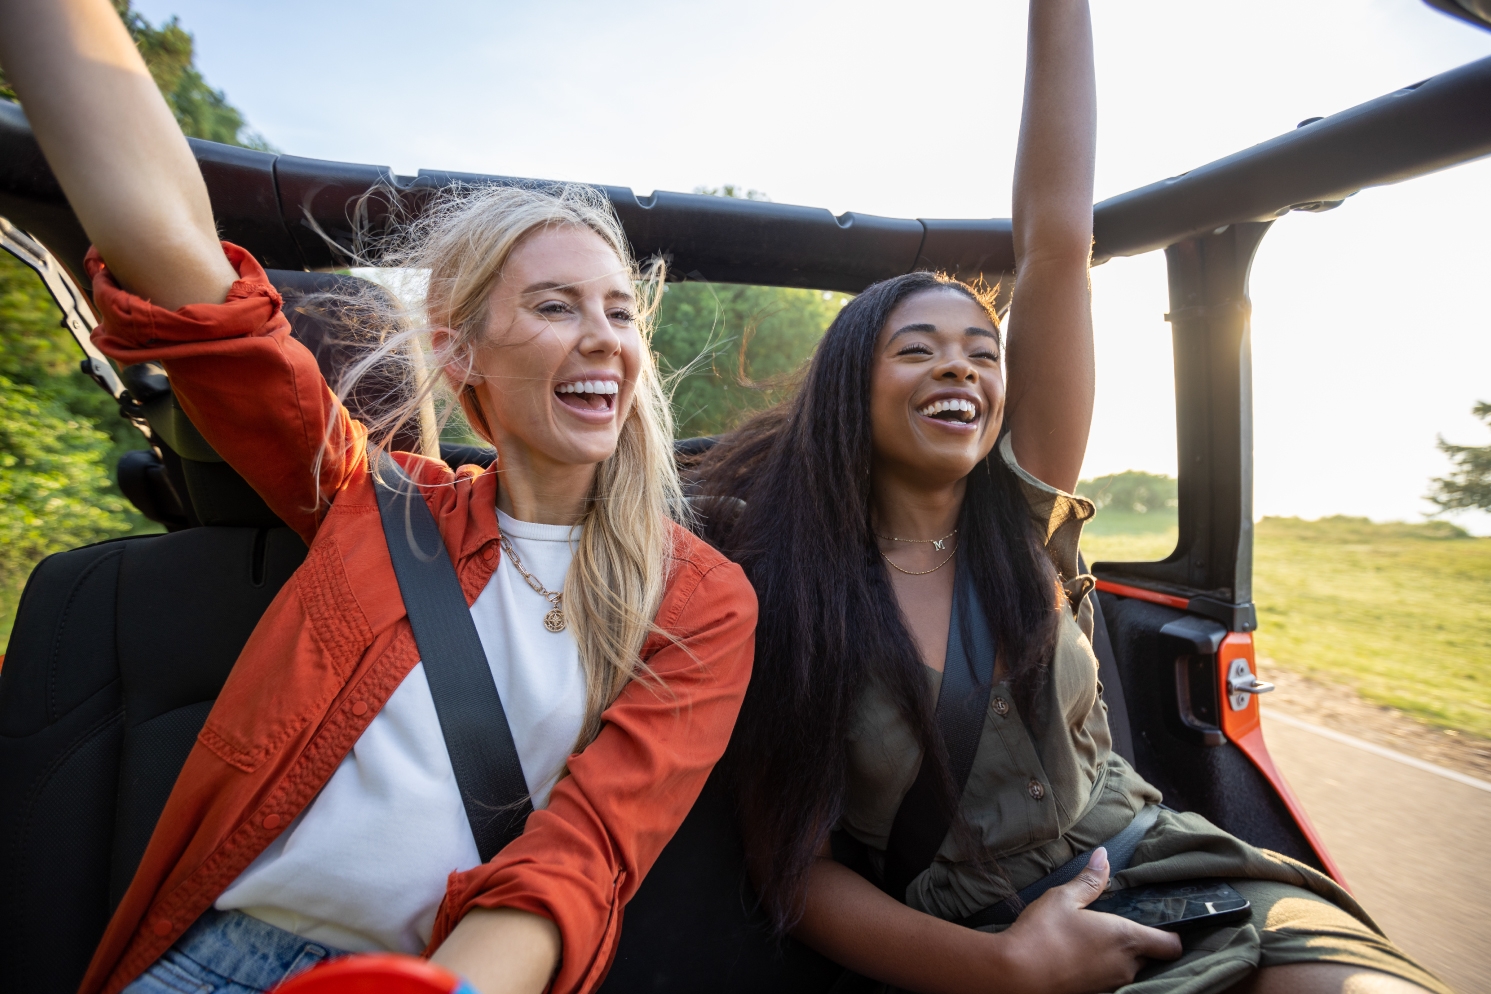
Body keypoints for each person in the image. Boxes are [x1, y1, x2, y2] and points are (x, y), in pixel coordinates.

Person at [691, 2, 1451, 993]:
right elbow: (792, 871)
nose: (958, 366)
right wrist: (1002, 968)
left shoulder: (1021, 518)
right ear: (847, 388)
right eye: (916, 349)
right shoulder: (780, 585)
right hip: (971, 944)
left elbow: (1056, 242)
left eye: (979, 351)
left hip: (1165, 867)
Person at [0, 2, 758, 994]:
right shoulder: (378, 499)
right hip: (211, 964)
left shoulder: (700, 597)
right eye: (554, 304)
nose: (605, 335)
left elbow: (585, 854)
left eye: (619, 310)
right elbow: (179, 272)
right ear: (459, 351)